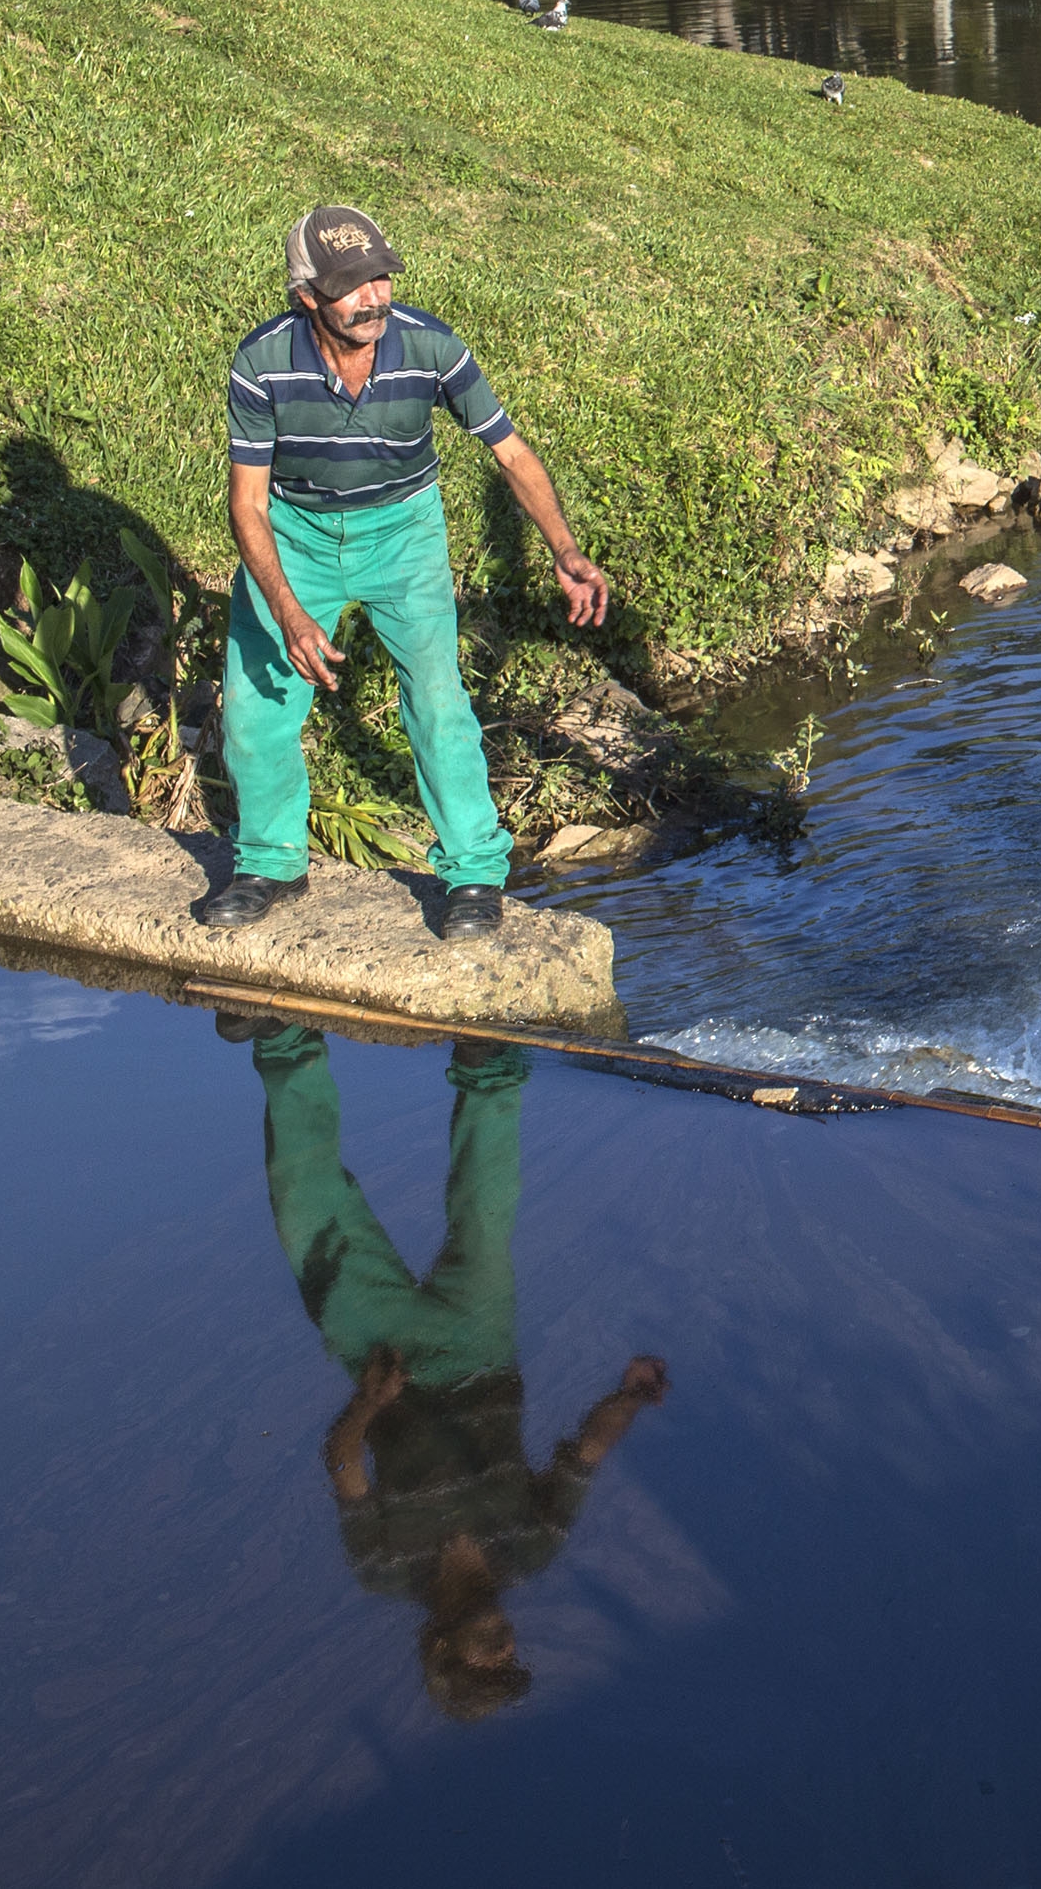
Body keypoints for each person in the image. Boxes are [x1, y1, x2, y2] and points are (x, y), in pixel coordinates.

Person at [232, 1012, 668, 1719]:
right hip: (478, 1348)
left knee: (307, 1215)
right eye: (512, 1662)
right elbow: (583, 1454)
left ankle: (284, 1039)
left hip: (385, 1363)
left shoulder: (383, 1567)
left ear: (441, 1649)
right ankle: (489, 1060)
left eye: (487, 1666)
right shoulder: (531, 1548)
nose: (506, 1650)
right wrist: (629, 1396)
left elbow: (343, 1464)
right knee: (484, 1216)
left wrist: (372, 1402)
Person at [202, 203, 610, 942]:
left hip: (404, 531)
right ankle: (270, 860)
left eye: (380, 277)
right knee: (255, 708)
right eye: (351, 287)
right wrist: (290, 611)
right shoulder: (262, 361)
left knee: (437, 698)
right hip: (294, 531)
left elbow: (511, 454)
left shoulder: (430, 347)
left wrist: (565, 549)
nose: (373, 298)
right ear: (306, 296)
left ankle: (475, 873)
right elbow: (248, 505)